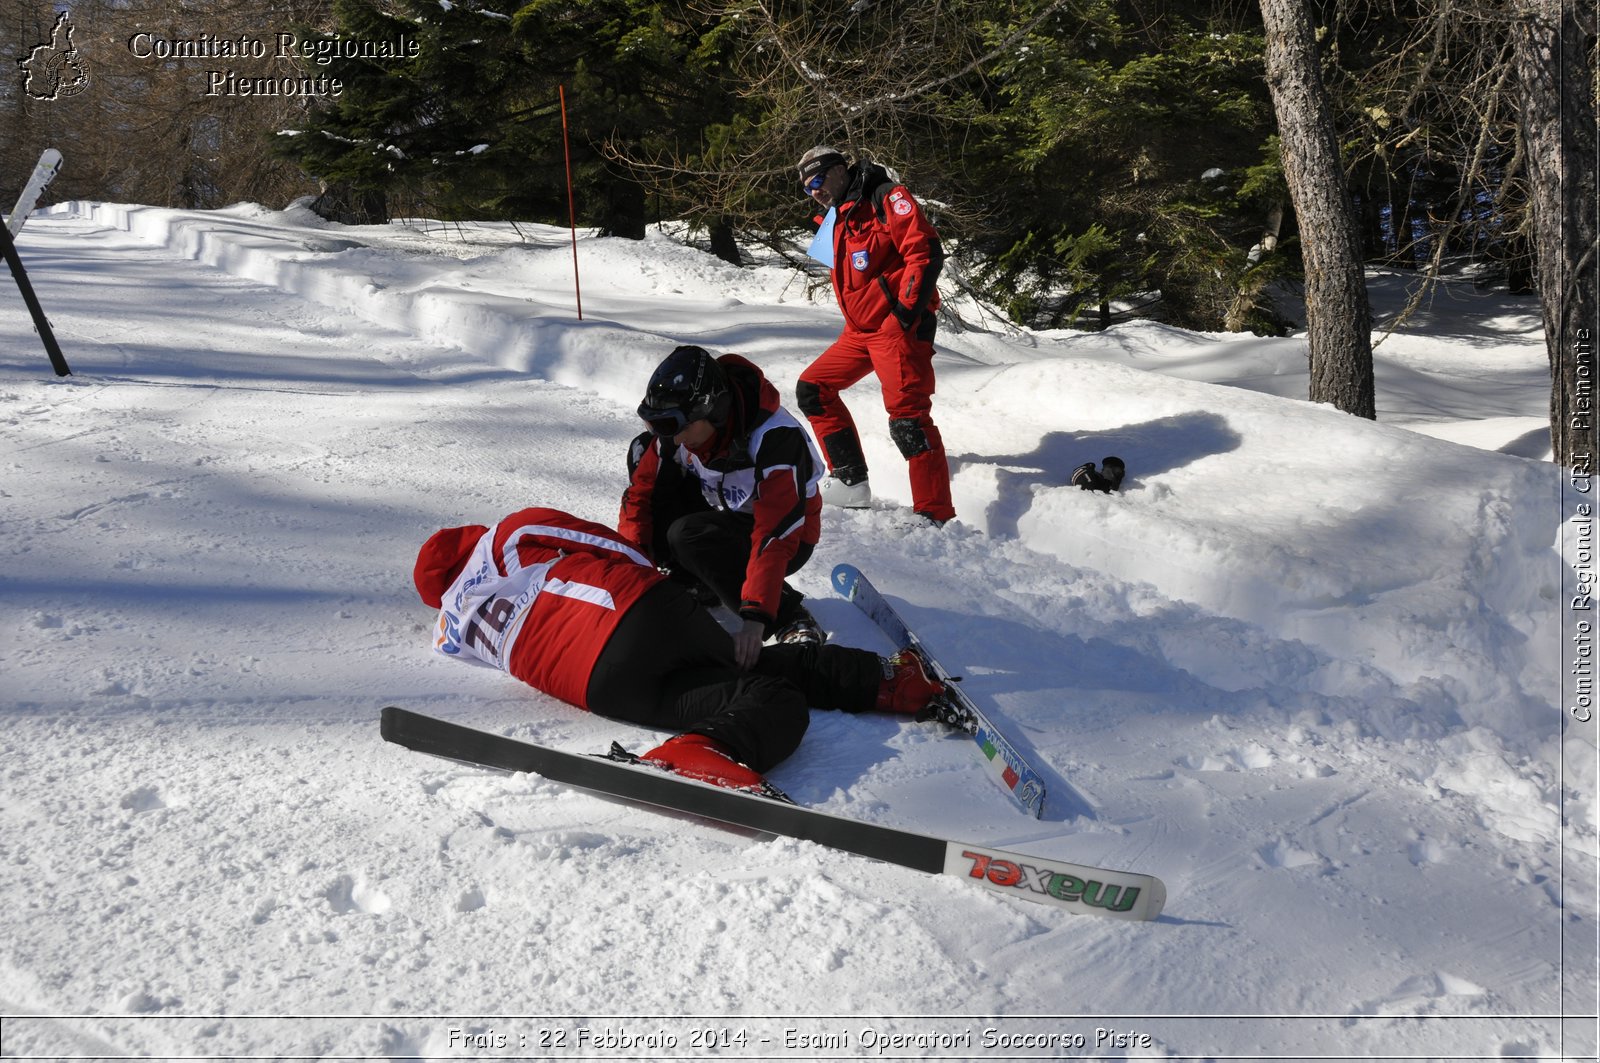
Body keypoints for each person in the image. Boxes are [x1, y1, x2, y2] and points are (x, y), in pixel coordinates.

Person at [412, 506, 943, 789]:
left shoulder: (449, 631)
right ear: (468, 537)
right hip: (633, 613)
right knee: (751, 659)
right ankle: (888, 681)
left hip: (601, 687)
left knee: (763, 695)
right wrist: (660, 590)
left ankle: (707, 749)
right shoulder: (508, 533)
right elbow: (606, 543)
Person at [620, 344, 825, 670]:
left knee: (688, 534)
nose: (668, 436)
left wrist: (757, 615)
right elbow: (640, 496)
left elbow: (775, 532)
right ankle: (699, 581)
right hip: (728, 517)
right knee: (645, 456)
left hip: (789, 538)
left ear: (711, 410)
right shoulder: (683, 435)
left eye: (672, 426)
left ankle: (791, 617)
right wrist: (634, 575)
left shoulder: (777, 440)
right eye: (655, 423)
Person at [794, 145, 956, 526]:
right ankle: (850, 481)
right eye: (806, 188)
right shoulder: (835, 215)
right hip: (859, 331)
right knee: (813, 388)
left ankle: (934, 514)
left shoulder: (885, 197)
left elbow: (926, 252)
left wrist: (903, 313)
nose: (814, 191)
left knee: (908, 419)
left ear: (838, 170)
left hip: (895, 328)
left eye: (817, 180)